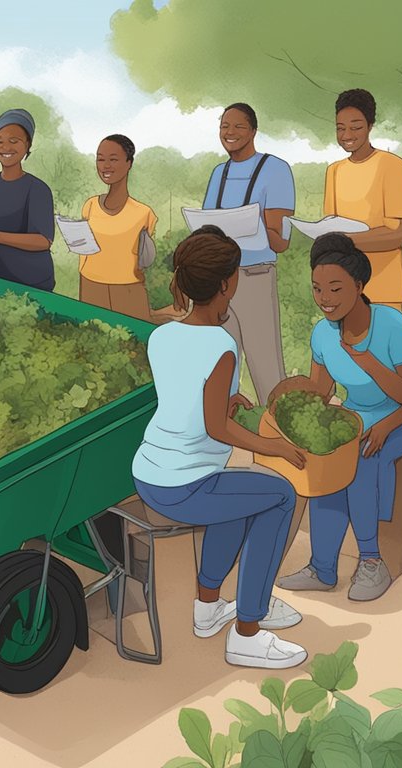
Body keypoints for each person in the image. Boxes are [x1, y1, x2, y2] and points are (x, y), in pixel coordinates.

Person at [132, 225, 309, 670]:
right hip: (184, 486)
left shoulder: (163, 335)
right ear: (228, 284)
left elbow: (184, 399)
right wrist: (275, 446)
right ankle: (248, 630)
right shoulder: (221, 345)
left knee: (238, 493)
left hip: (150, 471)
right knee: (281, 496)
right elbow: (217, 430)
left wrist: (227, 401)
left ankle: (209, 608)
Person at [276, 234, 402, 601]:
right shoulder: (323, 334)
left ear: (359, 285)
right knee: (326, 463)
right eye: (317, 289)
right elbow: (321, 390)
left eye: (334, 288)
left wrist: (366, 362)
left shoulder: (391, 324)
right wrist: (291, 397)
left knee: (361, 462)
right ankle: (323, 567)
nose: (325, 299)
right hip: (359, 416)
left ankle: (372, 561)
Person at [198, 103, 295, 401]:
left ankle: (276, 432)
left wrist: (257, 226)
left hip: (254, 276)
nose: (230, 132)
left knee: (264, 362)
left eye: (238, 126)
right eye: (224, 126)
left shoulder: (276, 170)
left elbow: (281, 242)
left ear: (253, 130)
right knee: (217, 360)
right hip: (218, 279)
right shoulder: (219, 173)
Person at [323, 89, 402, 310]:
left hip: (384, 287)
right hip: (343, 288)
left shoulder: (393, 166)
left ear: (370, 126)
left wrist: (347, 242)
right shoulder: (334, 171)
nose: (347, 135)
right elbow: (329, 229)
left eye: (355, 127)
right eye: (340, 128)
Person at [0, 109, 56, 291]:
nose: (5, 147)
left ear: (27, 145)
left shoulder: (38, 189)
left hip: (31, 283)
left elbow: (43, 241)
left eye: (14, 141)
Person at [77, 134, 157, 320]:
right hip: (90, 286)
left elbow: (146, 260)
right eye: (100, 159)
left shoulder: (144, 213)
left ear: (129, 163)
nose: (105, 166)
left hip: (128, 290)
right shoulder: (89, 206)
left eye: (113, 159)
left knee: (132, 344)